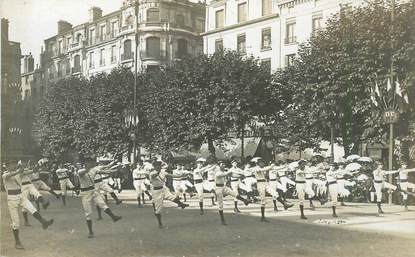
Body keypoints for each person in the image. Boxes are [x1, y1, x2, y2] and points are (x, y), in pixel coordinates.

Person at [2, 161, 54, 249]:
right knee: (16, 222)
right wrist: (19, 171)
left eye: (14, 164)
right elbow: (9, 176)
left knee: (32, 208)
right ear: (7, 166)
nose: (14, 165)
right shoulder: (5, 175)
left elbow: (29, 172)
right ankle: (17, 242)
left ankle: (44, 222)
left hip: (20, 195)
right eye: (12, 164)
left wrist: (36, 168)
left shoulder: (18, 173)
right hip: (12, 199)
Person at [77, 160, 122, 238]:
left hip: (93, 191)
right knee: (88, 213)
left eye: (90, 162)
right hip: (85, 193)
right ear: (85, 164)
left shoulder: (94, 169)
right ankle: (90, 232)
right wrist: (88, 168)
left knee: (102, 204)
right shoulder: (80, 170)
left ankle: (113, 217)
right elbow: (82, 172)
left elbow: (105, 172)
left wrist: (116, 170)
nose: (90, 163)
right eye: (88, 162)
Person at [150, 161, 189, 228]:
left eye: (159, 166)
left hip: (163, 188)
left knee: (172, 197)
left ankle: (181, 204)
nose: (159, 167)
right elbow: (155, 175)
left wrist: (180, 175)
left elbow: (171, 175)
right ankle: (160, 223)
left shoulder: (163, 172)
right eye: (157, 166)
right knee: (158, 209)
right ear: (154, 167)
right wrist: (160, 170)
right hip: (156, 191)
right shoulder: (152, 173)